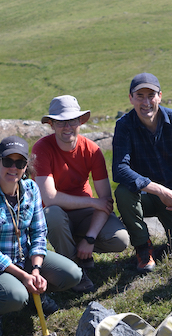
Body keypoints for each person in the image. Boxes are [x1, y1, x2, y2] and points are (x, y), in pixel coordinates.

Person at [0, 136, 83, 336]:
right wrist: (24, 276)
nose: (13, 168)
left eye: (20, 163)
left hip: (26, 260)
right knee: (15, 296)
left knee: (73, 274)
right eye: (7, 162)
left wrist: (36, 271)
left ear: (26, 166)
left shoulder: (31, 188)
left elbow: (39, 232)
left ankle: (33, 293)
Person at [32, 95, 130, 292]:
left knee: (120, 240)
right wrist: (93, 203)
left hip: (84, 213)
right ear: (51, 124)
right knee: (52, 214)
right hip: (58, 213)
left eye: (72, 121)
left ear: (80, 122)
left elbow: (105, 201)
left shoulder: (92, 150)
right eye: (60, 122)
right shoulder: (42, 148)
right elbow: (49, 198)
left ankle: (80, 248)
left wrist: (90, 238)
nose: (67, 126)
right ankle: (74, 271)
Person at [112, 72, 172, 272]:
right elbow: (120, 170)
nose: (146, 102)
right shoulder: (124, 126)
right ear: (131, 98)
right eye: (140, 96)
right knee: (123, 192)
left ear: (160, 96)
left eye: (151, 95)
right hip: (143, 197)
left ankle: (168, 241)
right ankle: (142, 246)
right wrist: (160, 191)